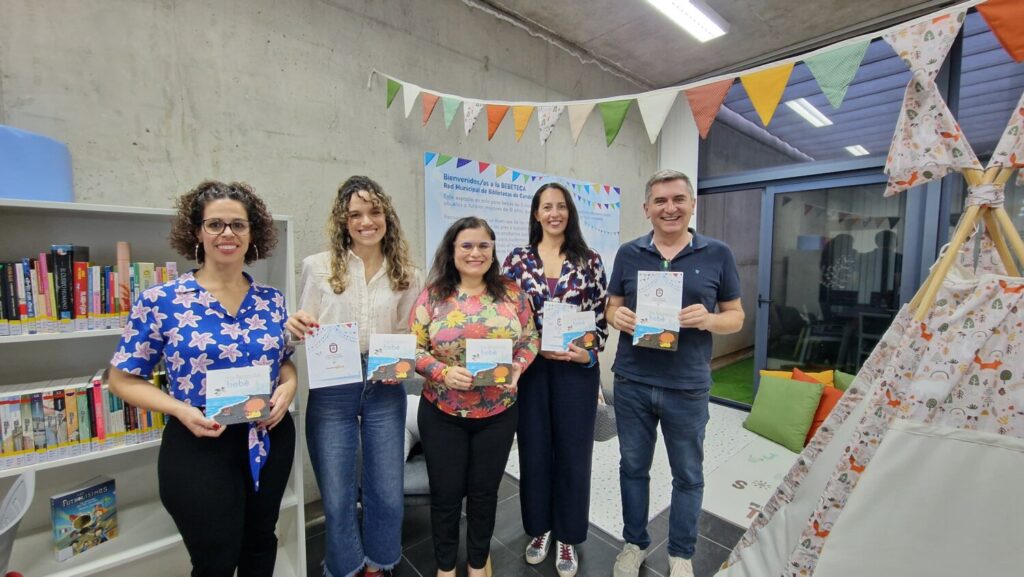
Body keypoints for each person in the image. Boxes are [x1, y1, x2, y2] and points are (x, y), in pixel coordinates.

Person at [108, 181, 296, 577]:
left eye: (238, 225)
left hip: (268, 436)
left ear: (252, 233)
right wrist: (180, 409)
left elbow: (284, 363)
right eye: (215, 225)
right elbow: (122, 380)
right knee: (215, 558)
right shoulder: (162, 300)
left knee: (262, 541)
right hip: (199, 441)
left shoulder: (271, 299)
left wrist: (289, 387)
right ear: (197, 232)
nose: (227, 234)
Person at [606, 170, 743, 577]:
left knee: (688, 474)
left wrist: (709, 320)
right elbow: (610, 307)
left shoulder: (718, 253)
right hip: (632, 382)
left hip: (686, 387)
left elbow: (736, 317)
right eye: (661, 201)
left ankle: (681, 553)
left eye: (678, 199)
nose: (670, 208)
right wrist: (620, 317)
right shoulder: (629, 254)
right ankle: (634, 543)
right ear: (647, 208)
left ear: (692, 204)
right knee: (632, 467)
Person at [285, 175, 422, 577]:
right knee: (338, 492)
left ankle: (379, 562)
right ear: (343, 221)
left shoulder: (408, 274)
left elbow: (409, 333)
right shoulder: (318, 265)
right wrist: (296, 325)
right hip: (333, 383)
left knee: (386, 490)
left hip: (384, 383)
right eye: (355, 214)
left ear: (387, 216)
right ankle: (344, 566)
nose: (366, 221)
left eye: (374, 211)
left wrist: (400, 357)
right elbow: (302, 326)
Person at [410, 217, 539, 577]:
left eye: (483, 245)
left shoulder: (513, 293)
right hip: (442, 413)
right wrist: (442, 372)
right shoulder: (434, 295)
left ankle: (478, 561)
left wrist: (517, 368)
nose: (475, 252)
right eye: (466, 245)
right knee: (446, 496)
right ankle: (445, 565)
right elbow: (414, 348)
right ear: (452, 250)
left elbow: (530, 339)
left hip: (498, 413)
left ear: (493, 250)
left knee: (485, 494)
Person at [501, 183, 607, 577]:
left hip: (574, 369)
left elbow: (600, 317)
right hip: (530, 370)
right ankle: (540, 530)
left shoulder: (589, 260)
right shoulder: (516, 261)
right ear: (536, 214)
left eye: (561, 206)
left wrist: (588, 351)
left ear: (569, 212)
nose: (554, 213)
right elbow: (504, 314)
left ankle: (567, 537)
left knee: (574, 454)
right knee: (534, 450)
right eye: (547, 207)